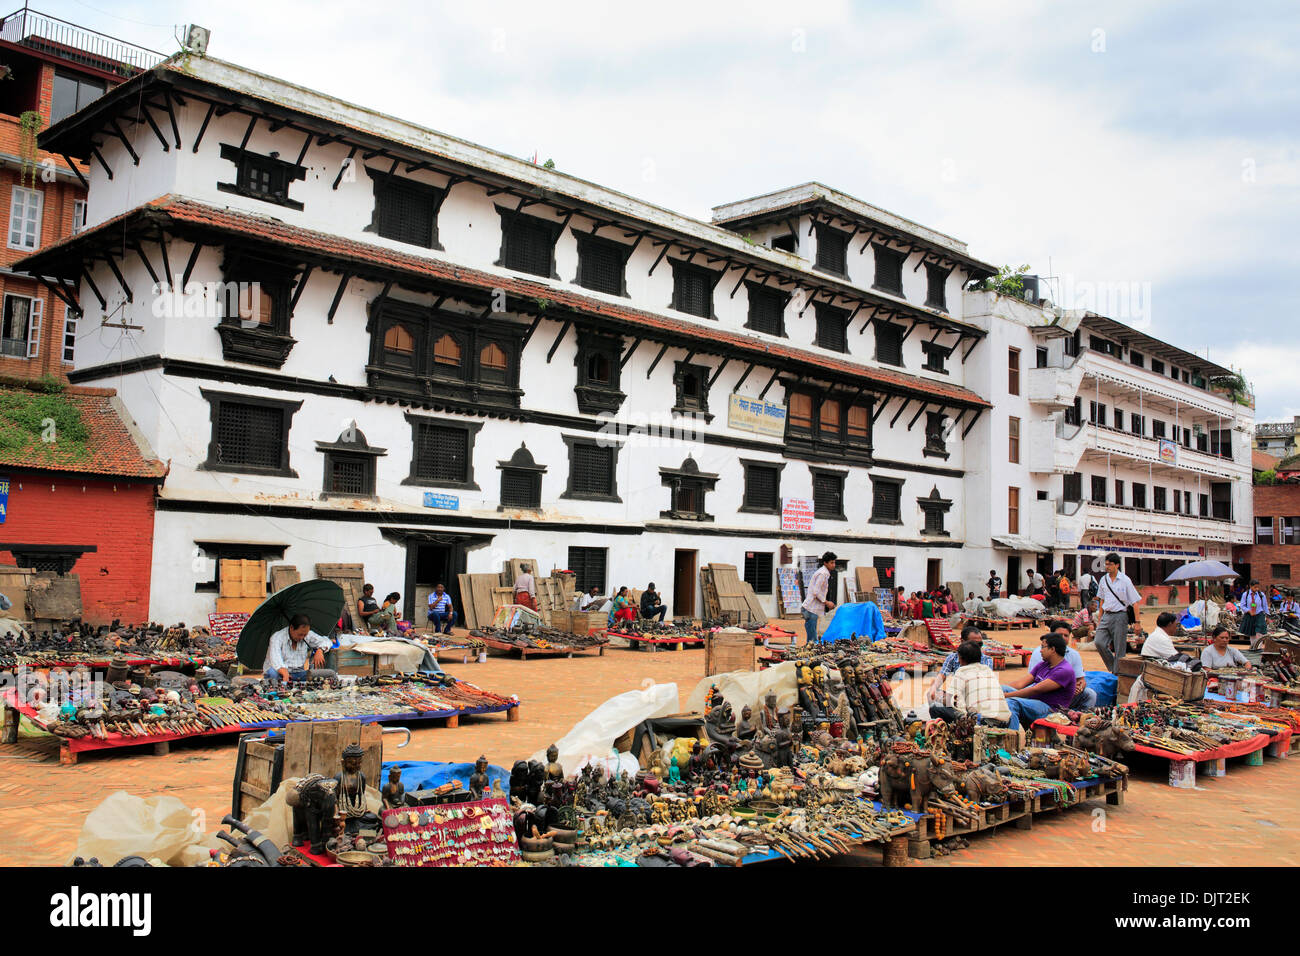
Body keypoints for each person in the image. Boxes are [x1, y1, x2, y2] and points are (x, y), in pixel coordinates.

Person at [1003, 632, 1076, 730]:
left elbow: (1035, 690)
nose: (1040, 651)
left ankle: (1012, 737)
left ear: (1052, 649)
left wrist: (1007, 695)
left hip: (1050, 709)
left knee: (1011, 703)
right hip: (1034, 701)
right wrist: (1000, 691)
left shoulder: (1064, 671)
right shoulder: (1044, 664)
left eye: (1043, 647)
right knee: (1000, 689)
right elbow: (1020, 683)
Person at [932, 640, 1012, 725]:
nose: (958, 661)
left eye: (959, 658)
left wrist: (939, 698)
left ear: (962, 659)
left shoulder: (962, 671)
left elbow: (950, 701)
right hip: (1005, 721)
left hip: (983, 721)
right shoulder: (987, 670)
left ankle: (956, 735)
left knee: (935, 708)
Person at [1028, 621, 1097, 709]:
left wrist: (1079, 687)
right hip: (1044, 692)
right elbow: (1037, 681)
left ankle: (1080, 717)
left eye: (1066, 636)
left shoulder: (1074, 654)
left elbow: (1081, 679)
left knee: (1090, 694)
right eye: (1060, 635)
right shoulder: (1040, 653)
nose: (1063, 638)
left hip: (1066, 694)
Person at [1094, 552, 1140, 672]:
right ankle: (1114, 667)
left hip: (1121, 616)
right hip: (1106, 616)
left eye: (1110, 564)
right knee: (1099, 642)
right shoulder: (1103, 580)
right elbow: (1102, 600)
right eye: (1106, 564)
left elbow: (1135, 602)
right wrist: (1099, 619)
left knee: (1120, 648)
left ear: (1117, 565)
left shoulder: (1125, 580)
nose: (1107, 566)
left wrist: (1137, 622)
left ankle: (1117, 674)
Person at [927, 625, 993, 703]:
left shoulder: (986, 660)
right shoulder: (953, 658)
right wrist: (934, 688)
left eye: (980, 644)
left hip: (976, 697)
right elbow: (942, 675)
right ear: (962, 641)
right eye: (973, 644)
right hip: (957, 696)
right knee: (932, 694)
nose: (977, 647)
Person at [264, 613, 333, 683]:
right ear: (291, 628)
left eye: (304, 635)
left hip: (298, 673)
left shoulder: (307, 635)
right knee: (272, 673)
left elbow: (327, 641)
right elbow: (276, 660)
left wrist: (320, 650)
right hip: (280, 673)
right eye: (300, 634)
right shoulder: (277, 637)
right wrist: (284, 673)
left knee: (328, 675)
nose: (302, 637)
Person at [800, 551, 837, 644]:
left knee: (812, 636)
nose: (834, 565)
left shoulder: (824, 573)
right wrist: (827, 602)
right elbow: (816, 591)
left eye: (834, 562)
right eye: (831, 562)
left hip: (812, 609)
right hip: (811, 609)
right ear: (825, 563)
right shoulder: (822, 573)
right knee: (812, 639)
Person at [1238, 579, 1268, 649]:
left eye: (1258, 587)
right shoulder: (1246, 594)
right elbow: (1242, 605)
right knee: (1252, 633)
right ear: (1250, 586)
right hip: (1250, 615)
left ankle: (1259, 647)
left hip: (1259, 614)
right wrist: (1248, 611)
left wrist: (1267, 616)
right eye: (1255, 587)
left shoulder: (1261, 595)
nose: (1256, 589)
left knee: (1259, 632)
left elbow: (1265, 606)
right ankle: (1253, 647)